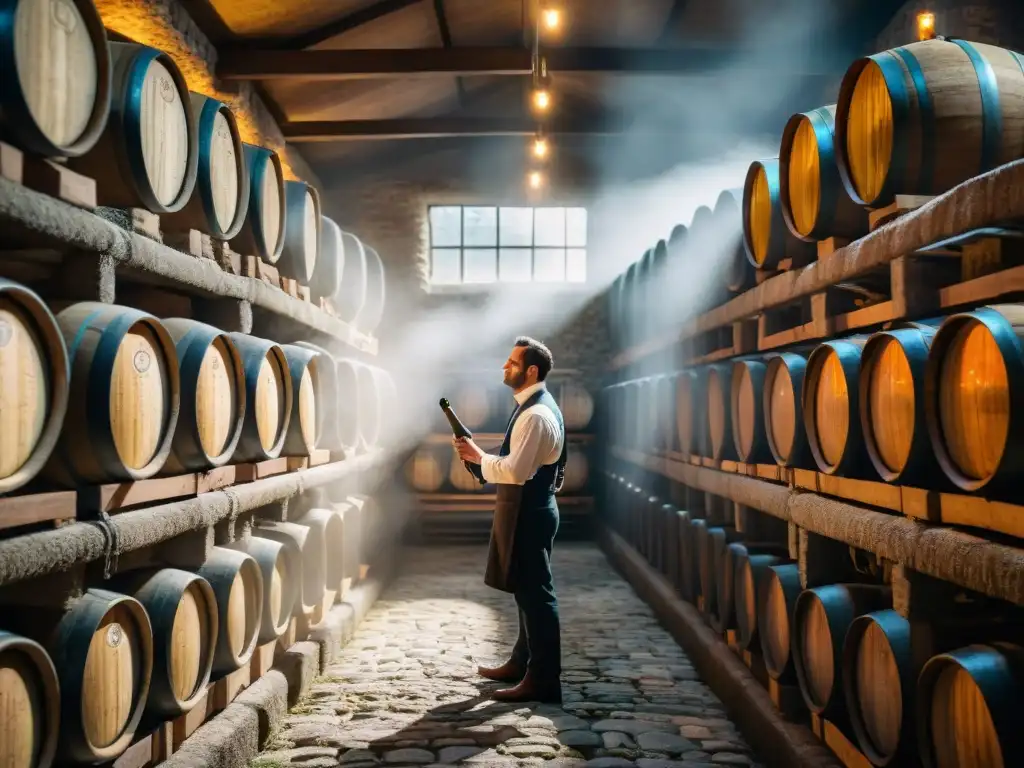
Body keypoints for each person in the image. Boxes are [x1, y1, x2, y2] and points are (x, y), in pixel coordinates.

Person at [453, 336, 566, 704]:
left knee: (537, 596)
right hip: (529, 509)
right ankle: (523, 662)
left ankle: (544, 679)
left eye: (512, 363)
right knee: (525, 589)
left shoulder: (534, 414)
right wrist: (479, 458)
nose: (505, 367)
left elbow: (516, 472)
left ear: (531, 370)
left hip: (530, 512)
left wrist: (477, 455)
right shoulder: (533, 406)